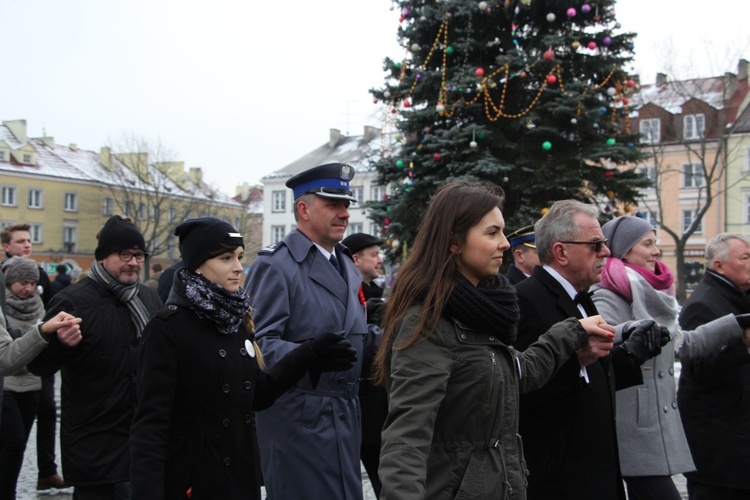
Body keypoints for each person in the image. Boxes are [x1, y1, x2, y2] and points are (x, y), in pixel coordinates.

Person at [374, 182, 620, 499]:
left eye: (502, 232)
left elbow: (520, 372)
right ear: (453, 242)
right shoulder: (427, 323)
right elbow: (407, 436)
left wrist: (571, 331)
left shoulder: (483, 313)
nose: (505, 243)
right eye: (492, 233)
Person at [130, 217, 356, 499]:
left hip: (238, 479)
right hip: (191, 482)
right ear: (198, 264)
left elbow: (259, 394)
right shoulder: (168, 328)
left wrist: (309, 354)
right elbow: (151, 425)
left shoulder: (235, 321)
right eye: (225, 258)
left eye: (238, 257)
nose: (238, 267)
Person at [513, 199, 667, 500]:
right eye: (596, 245)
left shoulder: (581, 296)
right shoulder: (526, 301)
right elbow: (519, 390)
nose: (606, 253)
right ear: (561, 252)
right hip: (561, 481)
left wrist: (630, 356)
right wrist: (577, 362)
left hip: (597, 475)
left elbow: (592, 375)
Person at [592, 217, 750, 499]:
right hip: (633, 427)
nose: (656, 252)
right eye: (648, 244)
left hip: (654, 427)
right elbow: (601, 335)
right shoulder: (608, 293)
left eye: (656, 244)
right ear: (625, 250)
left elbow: (684, 344)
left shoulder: (652, 293)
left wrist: (736, 324)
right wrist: (630, 330)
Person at [244, 163, 376, 499]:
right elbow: (257, 348)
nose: (344, 214)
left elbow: (354, 334)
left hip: (345, 413)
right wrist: (308, 354)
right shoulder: (275, 266)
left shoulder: (345, 262)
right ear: (303, 209)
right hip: (299, 418)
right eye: (333, 205)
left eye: (346, 205)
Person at [28, 215, 163, 500]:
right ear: (103, 258)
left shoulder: (148, 298)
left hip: (142, 440)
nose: (134, 262)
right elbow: (39, 365)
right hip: (94, 439)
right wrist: (61, 345)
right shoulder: (73, 300)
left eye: (139, 255)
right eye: (124, 254)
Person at [0, 255, 82, 500]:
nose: (27, 288)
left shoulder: (40, 304)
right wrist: (42, 332)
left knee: (19, 445)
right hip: (8, 384)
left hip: (33, 383)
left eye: (31, 283)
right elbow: (7, 355)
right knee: (13, 442)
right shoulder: (4, 306)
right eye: (21, 283)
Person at [677, 233, 750, 499]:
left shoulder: (739, 296)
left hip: (736, 442)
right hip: (717, 450)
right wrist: (744, 346)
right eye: (746, 257)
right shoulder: (702, 303)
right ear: (719, 265)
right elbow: (698, 366)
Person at [1, 223, 62, 490]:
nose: (27, 245)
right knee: (12, 440)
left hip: (36, 374)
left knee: (43, 418)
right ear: (6, 246)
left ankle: (46, 470)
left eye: (29, 240)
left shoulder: (39, 282)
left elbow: (50, 309)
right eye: (21, 241)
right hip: (8, 377)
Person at [342, 232, 386, 498]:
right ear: (356, 260)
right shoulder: (349, 295)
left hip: (376, 407)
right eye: (374, 255)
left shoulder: (374, 295)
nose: (380, 259)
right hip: (361, 406)